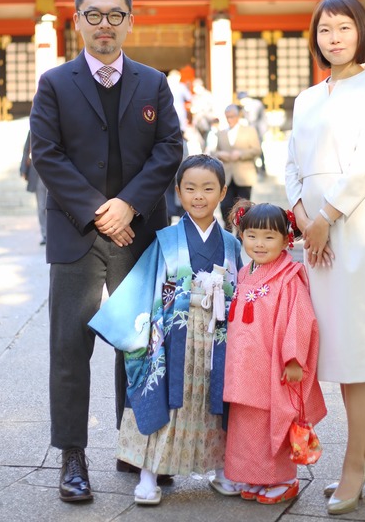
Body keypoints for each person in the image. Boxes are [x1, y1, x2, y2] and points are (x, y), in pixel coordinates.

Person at [28, 0, 184, 503]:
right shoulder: (55, 83)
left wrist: (128, 205)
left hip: (138, 233)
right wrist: (100, 210)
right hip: (77, 232)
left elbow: (169, 147)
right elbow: (47, 153)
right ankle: (72, 455)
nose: (104, 25)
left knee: (138, 342)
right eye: (93, 15)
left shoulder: (153, 83)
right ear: (77, 22)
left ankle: (134, 447)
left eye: (115, 15)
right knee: (70, 347)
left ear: (129, 23)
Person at [284, 0, 365, 515]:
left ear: (362, 33)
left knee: (356, 348)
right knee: (330, 347)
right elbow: (291, 162)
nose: (333, 38)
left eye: (344, 28)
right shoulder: (306, 98)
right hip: (314, 233)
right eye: (325, 29)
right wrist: (302, 216)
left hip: (355, 228)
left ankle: (354, 463)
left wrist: (326, 218)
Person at [88, 154, 241, 506]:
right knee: (165, 402)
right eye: (190, 188)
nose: (199, 196)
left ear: (223, 193)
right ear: (178, 192)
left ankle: (221, 469)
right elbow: (147, 285)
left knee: (214, 402)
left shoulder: (231, 243)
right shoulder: (167, 239)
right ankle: (148, 474)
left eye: (208, 189)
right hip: (173, 336)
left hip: (217, 336)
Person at [211, 198, 327, 505]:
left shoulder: (289, 277)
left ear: (286, 239)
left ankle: (284, 479)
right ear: (241, 235)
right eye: (252, 236)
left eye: (268, 237)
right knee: (246, 422)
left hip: (273, 364)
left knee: (272, 420)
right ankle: (254, 476)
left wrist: (294, 358)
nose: (259, 244)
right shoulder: (245, 272)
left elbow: (300, 318)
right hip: (243, 364)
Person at [213, 103, 262, 221]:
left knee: (243, 209)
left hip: (244, 176)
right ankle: (227, 229)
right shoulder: (221, 133)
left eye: (232, 117)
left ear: (238, 116)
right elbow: (215, 152)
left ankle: (241, 230)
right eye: (227, 117)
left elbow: (257, 150)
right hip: (227, 176)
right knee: (225, 206)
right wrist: (220, 154)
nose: (229, 119)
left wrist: (240, 154)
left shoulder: (249, 131)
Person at [19, 127, 48, 245]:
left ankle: (53, 233)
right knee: (41, 206)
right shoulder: (33, 129)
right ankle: (45, 234)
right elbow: (27, 150)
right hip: (37, 173)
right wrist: (23, 168)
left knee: (51, 205)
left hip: (52, 172)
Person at [237, 90, 269, 175]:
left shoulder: (256, 104)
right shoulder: (245, 107)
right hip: (252, 131)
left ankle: (262, 168)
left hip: (259, 131)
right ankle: (255, 168)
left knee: (258, 150)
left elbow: (252, 119)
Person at [189, 79, 219, 152]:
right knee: (200, 140)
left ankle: (205, 153)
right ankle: (203, 152)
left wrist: (199, 109)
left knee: (206, 140)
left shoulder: (207, 95)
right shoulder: (194, 97)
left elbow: (211, 108)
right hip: (197, 121)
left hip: (206, 121)